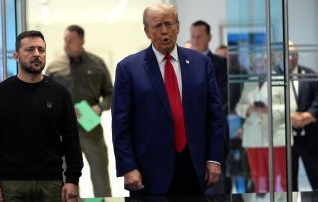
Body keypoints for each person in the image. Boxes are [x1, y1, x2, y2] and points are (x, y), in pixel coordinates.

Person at [112, 3, 224, 196]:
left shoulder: (201, 63)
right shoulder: (129, 68)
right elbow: (121, 124)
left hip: (194, 166)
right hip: (149, 171)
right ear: (147, 31)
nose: (164, 31)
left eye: (169, 24)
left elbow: (214, 115)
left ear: (178, 27)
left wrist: (214, 158)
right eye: (157, 26)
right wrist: (128, 167)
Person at [0, 30, 83, 202]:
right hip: (11, 183)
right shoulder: (0, 93)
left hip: (52, 183)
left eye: (41, 50)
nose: (36, 54)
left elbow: (71, 139)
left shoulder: (60, 93)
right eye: (30, 49)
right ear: (16, 56)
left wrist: (73, 179)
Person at [46, 25, 113, 197]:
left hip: (92, 130)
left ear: (82, 40)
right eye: (65, 40)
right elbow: (44, 97)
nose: (66, 44)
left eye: (71, 40)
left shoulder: (97, 63)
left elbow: (111, 95)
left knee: (100, 179)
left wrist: (98, 107)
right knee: (67, 182)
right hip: (63, 134)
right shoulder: (54, 66)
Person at [235, 54, 296, 193]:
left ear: (270, 64)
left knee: (280, 179)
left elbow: (292, 106)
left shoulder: (280, 79)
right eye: (257, 65)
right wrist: (248, 109)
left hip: (276, 137)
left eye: (263, 64)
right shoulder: (250, 82)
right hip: (253, 137)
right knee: (258, 178)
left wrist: (269, 110)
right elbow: (239, 107)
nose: (259, 68)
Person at [190, 20, 229, 194]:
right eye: (193, 36)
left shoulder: (221, 64)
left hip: (212, 133)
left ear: (209, 37)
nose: (196, 40)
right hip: (188, 137)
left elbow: (222, 99)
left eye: (200, 36)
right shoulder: (182, 63)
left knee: (214, 190)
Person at [275, 42, 318, 191]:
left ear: (297, 56)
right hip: (285, 140)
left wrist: (310, 115)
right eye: (286, 54)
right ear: (279, 57)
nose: (290, 58)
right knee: (288, 185)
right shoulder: (273, 78)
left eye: (293, 54)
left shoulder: (311, 75)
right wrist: (288, 116)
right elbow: (269, 103)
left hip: (311, 139)